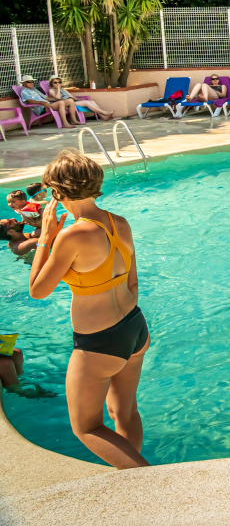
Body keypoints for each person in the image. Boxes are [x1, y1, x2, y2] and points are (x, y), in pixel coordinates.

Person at [28, 150, 152, 468]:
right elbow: (133, 285)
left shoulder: (72, 235)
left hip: (99, 342)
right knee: (123, 411)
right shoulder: (118, 222)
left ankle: (155, 486)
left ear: (57, 192)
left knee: (87, 427)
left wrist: (45, 237)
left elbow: (37, 291)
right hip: (135, 328)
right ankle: (133, 481)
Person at [46, 76, 114, 121]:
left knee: (91, 101)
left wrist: (81, 99)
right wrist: (58, 89)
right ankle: (104, 113)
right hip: (67, 104)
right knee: (87, 103)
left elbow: (72, 97)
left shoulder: (63, 89)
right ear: (51, 83)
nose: (58, 84)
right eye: (55, 82)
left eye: (59, 82)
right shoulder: (51, 90)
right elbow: (57, 98)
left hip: (72, 101)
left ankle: (103, 117)